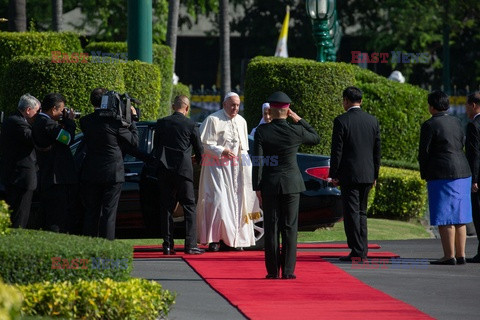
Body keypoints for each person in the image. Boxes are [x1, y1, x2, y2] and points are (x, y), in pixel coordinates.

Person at [253, 91, 320, 279]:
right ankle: (289, 271)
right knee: (290, 227)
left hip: (270, 184)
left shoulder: (262, 131)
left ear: (271, 111)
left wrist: (256, 187)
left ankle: (272, 271)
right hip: (292, 184)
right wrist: (299, 119)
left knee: (272, 227)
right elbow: (315, 137)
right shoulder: (296, 131)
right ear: (287, 110)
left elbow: (257, 161)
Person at [197, 92, 260, 251]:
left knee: (239, 203)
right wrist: (221, 151)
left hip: (238, 170)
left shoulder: (242, 121)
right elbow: (202, 144)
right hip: (217, 168)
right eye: (232, 105)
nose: (235, 108)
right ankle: (214, 240)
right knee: (218, 202)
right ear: (224, 104)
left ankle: (237, 239)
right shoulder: (213, 119)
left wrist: (248, 166)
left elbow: (243, 148)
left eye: (238, 105)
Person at [419, 90, 472, 265]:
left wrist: (424, 172)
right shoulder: (457, 122)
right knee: (460, 216)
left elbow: (424, 153)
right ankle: (461, 254)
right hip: (463, 171)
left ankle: (449, 255)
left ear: (432, 106)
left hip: (441, 172)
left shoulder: (429, 125)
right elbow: (461, 143)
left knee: (445, 216)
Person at [329, 86, 381, 262]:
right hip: (367, 174)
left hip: (349, 175)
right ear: (361, 101)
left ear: (345, 100)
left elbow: (337, 151)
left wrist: (333, 174)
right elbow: (377, 151)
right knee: (362, 212)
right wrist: (375, 174)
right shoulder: (372, 121)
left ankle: (357, 249)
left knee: (351, 213)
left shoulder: (341, 121)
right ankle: (362, 248)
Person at [80, 91, 139, 240]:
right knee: (109, 213)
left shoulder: (86, 121)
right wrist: (132, 119)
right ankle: (107, 246)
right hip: (113, 172)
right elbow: (134, 142)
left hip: (92, 171)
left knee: (91, 212)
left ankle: (89, 243)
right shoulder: (115, 122)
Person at [152, 95, 204, 255]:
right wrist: (198, 160)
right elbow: (199, 149)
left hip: (165, 169)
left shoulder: (162, 123)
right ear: (187, 108)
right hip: (184, 170)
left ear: (174, 106)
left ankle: (168, 245)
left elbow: (156, 146)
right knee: (189, 206)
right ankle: (190, 245)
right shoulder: (190, 124)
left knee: (166, 208)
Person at [32, 93, 78, 233]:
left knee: (50, 216)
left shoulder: (39, 121)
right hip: (56, 178)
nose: (61, 114)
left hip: (48, 176)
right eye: (61, 110)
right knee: (57, 218)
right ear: (53, 109)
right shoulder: (48, 124)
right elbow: (68, 139)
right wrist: (70, 122)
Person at [0, 94, 40, 228]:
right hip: (20, 178)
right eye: (37, 111)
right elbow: (33, 138)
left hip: (18, 177)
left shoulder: (15, 121)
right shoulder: (16, 122)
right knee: (19, 216)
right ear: (28, 110)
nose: (38, 115)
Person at [464, 91, 480, 263]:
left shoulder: (473, 126)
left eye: (467, 105)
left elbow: (474, 154)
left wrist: (474, 179)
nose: (466, 109)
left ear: (474, 105)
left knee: (478, 213)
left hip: (478, 177)